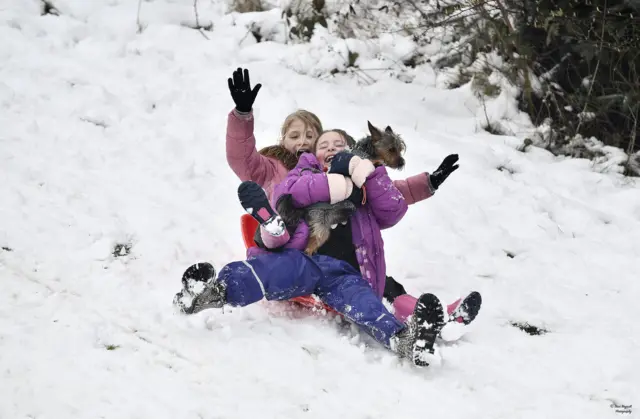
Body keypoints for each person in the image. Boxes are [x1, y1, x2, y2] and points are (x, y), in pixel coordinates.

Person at [225, 68, 480, 328]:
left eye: (310, 136)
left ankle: (434, 317)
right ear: (283, 140)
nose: (302, 141)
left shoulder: (330, 173)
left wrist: (428, 183)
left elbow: (385, 194)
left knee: (383, 282)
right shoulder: (271, 167)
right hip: (290, 248)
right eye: (294, 136)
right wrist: (242, 115)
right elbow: (241, 158)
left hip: (332, 251)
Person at [173, 168, 447, 367]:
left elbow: (395, 193)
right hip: (305, 259)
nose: (332, 148)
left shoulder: (362, 192)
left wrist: (428, 183)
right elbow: (274, 180)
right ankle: (214, 292)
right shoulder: (303, 183)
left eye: (339, 144)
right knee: (272, 270)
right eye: (325, 144)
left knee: (364, 301)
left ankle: (404, 340)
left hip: (345, 272)